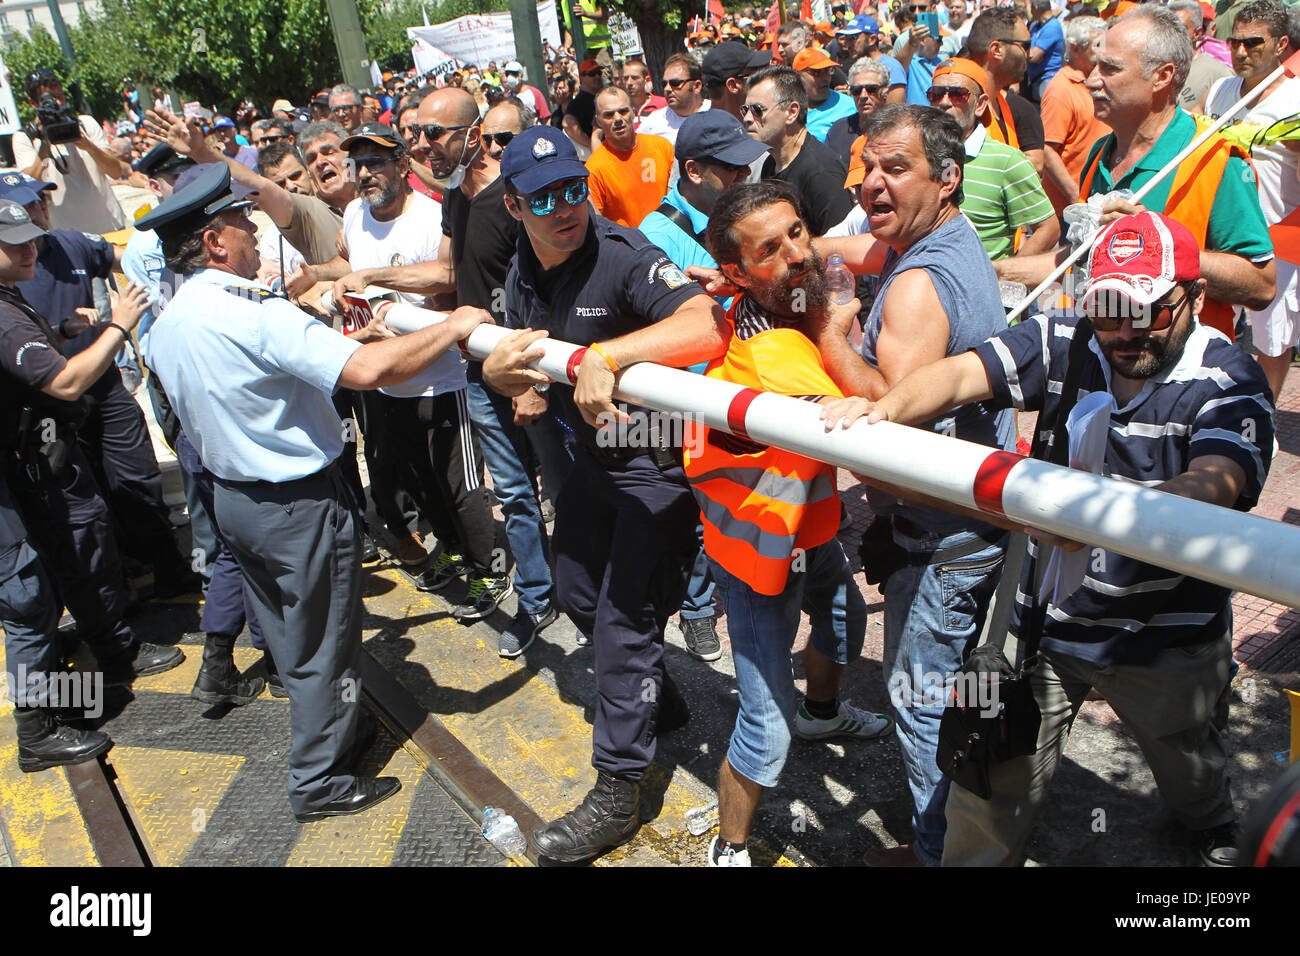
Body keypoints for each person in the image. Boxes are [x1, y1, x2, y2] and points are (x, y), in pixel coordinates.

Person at [823, 211, 1275, 867]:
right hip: (1047, 626)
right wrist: (884, 410)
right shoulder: (1068, 336)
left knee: (1186, 758)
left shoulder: (1229, 379)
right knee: (993, 774)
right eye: (1109, 307)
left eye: (1147, 310)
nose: (1125, 331)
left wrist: (1093, 517)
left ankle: (1208, 822)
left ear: (1195, 298)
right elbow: (960, 374)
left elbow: (1215, 483)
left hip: (1166, 633)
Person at [142, 162, 491, 821]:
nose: (252, 234)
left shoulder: (172, 320)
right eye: (243, 225)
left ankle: (333, 734)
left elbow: (274, 374)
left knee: (291, 634)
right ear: (216, 242)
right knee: (325, 642)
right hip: (299, 503)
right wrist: (451, 326)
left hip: (237, 503)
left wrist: (350, 337)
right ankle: (320, 781)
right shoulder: (256, 314)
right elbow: (363, 372)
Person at [481, 126, 726, 862]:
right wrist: (502, 375)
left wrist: (609, 356)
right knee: (576, 594)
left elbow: (703, 322)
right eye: (546, 197)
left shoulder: (621, 257)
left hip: (658, 471)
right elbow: (514, 351)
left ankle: (618, 789)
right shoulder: (523, 264)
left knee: (622, 626)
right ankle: (656, 702)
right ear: (515, 204)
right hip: (592, 465)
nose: (566, 208)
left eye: (575, 189)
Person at [812, 104, 1016, 866]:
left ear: (948, 178)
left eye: (895, 169)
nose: (871, 183)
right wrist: (803, 255)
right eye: (867, 167)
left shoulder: (916, 287)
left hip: (940, 538)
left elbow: (886, 444)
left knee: (920, 702)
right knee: (951, 695)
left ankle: (941, 854)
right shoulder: (951, 235)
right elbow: (865, 248)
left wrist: (833, 335)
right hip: (969, 524)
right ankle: (953, 841)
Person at [691, 183, 893, 868]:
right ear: (740, 276)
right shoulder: (771, 351)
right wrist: (838, 334)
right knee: (764, 721)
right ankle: (731, 845)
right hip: (756, 560)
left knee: (842, 623)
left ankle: (825, 714)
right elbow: (883, 411)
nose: (798, 256)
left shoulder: (787, 306)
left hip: (803, 535)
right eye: (770, 251)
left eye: (799, 233)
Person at [333, 90, 570, 655]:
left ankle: (595, 601)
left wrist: (531, 381)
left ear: (475, 132)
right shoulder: (454, 196)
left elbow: (545, 287)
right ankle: (538, 599)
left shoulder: (516, 197)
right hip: (478, 373)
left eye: (434, 134)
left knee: (567, 492)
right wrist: (369, 275)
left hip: (535, 370)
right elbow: (445, 271)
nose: (421, 146)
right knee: (512, 494)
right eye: (415, 134)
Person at [320, 122, 509, 617]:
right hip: (386, 383)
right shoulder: (354, 215)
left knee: (462, 486)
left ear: (403, 166)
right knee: (420, 482)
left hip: (441, 379)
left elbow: (448, 276)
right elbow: (351, 267)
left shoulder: (431, 216)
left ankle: (490, 572)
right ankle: (451, 549)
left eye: (377, 161)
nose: (366, 173)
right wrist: (328, 280)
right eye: (359, 164)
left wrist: (374, 278)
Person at [996, 6, 1276, 340]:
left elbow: (1262, 286)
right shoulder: (1100, 153)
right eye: (1096, 65)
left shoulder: (1214, 158)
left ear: (1162, 76)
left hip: (1182, 376)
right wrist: (996, 272)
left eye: (1110, 68)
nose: (1092, 79)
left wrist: (1159, 244)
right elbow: (1080, 260)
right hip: (1106, 366)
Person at [0, 199, 183, 688]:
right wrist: (119, 325)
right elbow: (63, 383)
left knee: (73, 551)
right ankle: (114, 648)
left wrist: (64, 331)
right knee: (81, 548)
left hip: (42, 458)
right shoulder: (2, 312)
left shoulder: (10, 297)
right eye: (12, 243)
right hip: (43, 462)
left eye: (30, 237)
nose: (28, 250)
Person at [1204, 0, 1300, 405]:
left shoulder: (1295, 97)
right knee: (1213, 329)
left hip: (1278, 237)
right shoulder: (1220, 90)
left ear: (1281, 45)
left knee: (1272, 339)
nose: (1241, 52)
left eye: (1252, 43)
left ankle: (1263, 416)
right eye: (1234, 42)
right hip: (1222, 236)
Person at [925, 58, 1060, 259]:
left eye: (958, 95)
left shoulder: (1006, 161)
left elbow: (1048, 229)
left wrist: (1003, 276)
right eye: (936, 95)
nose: (944, 102)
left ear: (980, 105)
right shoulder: (919, 154)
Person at [12, 69, 129, 233]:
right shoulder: (25, 138)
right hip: (69, 238)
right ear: (33, 103)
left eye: (60, 96)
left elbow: (116, 172)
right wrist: (45, 142)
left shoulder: (85, 124)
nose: (57, 103)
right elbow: (28, 186)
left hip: (112, 226)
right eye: (48, 100)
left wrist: (88, 146)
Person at [745, 65, 854, 236]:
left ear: (791, 112)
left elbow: (842, 247)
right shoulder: (771, 163)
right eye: (745, 110)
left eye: (757, 110)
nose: (747, 118)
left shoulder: (822, 174)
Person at [1039, 15, 1110, 215]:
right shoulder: (1061, 89)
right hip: (1070, 210)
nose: (1104, 50)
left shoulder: (1098, 81)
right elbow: (1047, 149)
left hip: (1096, 202)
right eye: (1097, 45)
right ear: (1075, 48)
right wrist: (1075, 196)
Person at [964, 9, 1047, 177]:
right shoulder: (961, 104)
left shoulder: (1002, 102)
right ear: (996, 50)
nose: (1028, 55)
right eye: (1024, 46)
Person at [586, 87, 674, 226]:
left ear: (633, 111)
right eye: (609, 115)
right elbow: (598, 225)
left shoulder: (662, 147)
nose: (618, 119)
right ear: (598, 121)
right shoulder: (594, 169)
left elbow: (677, 197)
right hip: (631, 245)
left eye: (623, 111)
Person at [827, 58, 892, 170]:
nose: (863, 96)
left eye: (871, 89)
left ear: (885, 92)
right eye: (857, 90)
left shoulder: (898, 130)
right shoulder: (838, 130)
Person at [1172, 0, 1234, 112]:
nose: (1170, 34)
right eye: (1166, 28)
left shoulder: (1218, 74)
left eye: (1178, 29)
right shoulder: (1156, 66)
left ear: (1197, 33)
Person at [638, 54, 711, 147]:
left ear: (696, 86)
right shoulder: (654, 121)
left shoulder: (716, 113)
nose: (667, 89)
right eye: (664, 84)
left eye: (675, 83)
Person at [794, 47, 858, 141]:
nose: (825, 78)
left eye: (828, 71)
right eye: (816, 72)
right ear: (797, 76)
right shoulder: (785, 106)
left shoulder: (848, 107)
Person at [563, 59, 604, 154]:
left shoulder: (603, 96)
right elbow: (567, 123)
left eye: (599, 73)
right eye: (592, 74)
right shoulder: (578, 102)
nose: (597, 76)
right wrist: (591, 144)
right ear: (581, 78)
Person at [1027, 0, 1065, 98]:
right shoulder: (1036, 26)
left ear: (1036, 8)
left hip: (1048, 79)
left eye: (1030, 9)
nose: (1030, 12)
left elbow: (1034, 57)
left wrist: (1026, 54)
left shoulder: (1052, 27)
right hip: (1035, 80)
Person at [621, 59, 668, 126]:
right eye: (626, 78)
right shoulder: (619, 109)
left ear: (646, 79)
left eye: (634, 78)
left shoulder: (663, 104)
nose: (629, 82)